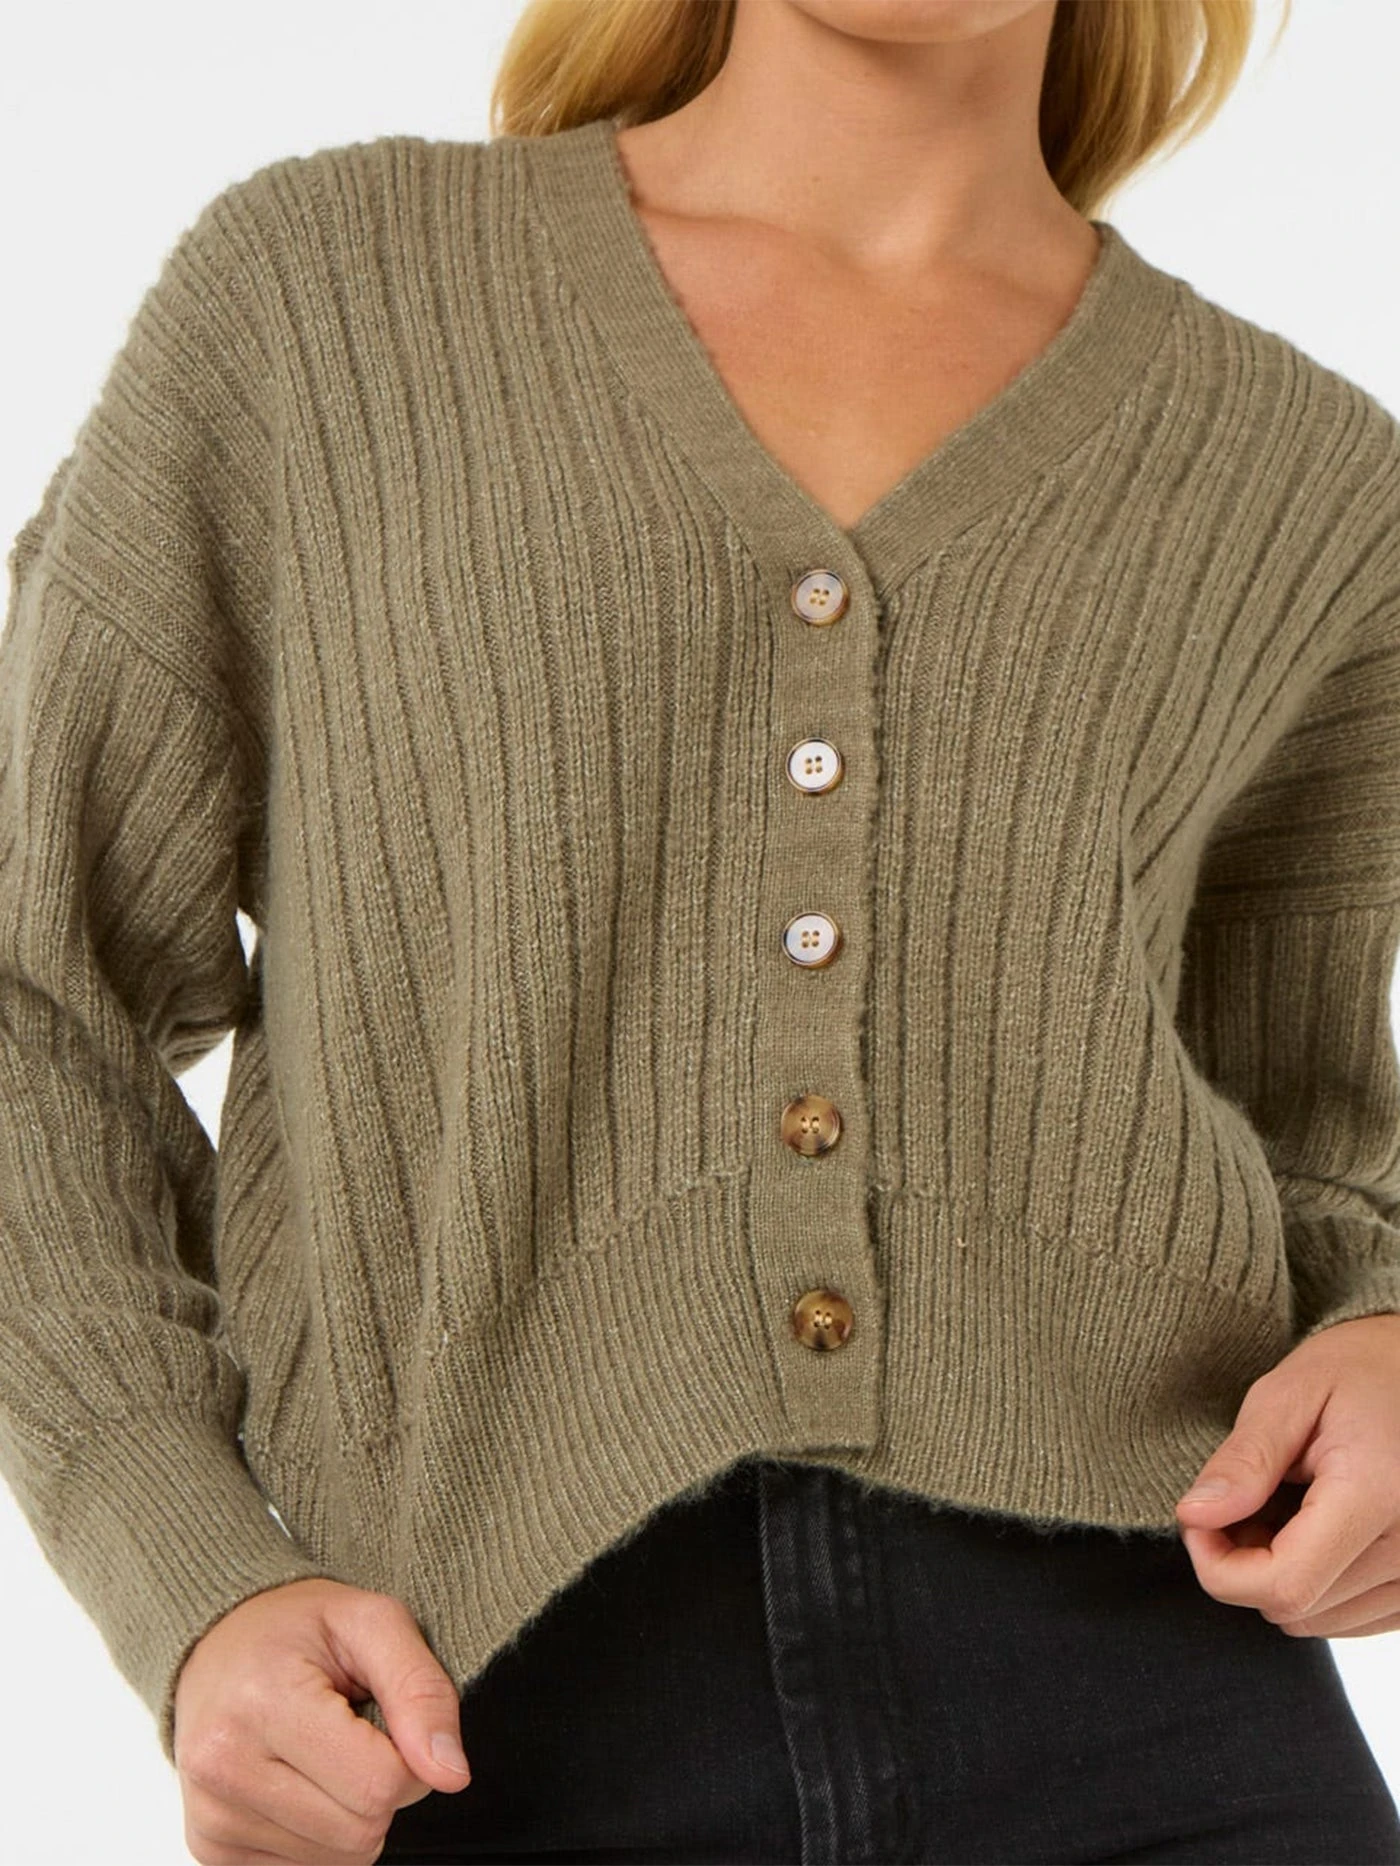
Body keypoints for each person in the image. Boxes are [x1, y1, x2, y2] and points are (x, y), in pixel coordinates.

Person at [3, 0, 1400, 1861]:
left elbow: (1316, 1128)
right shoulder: (326, 304)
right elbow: (35, 994)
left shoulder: (1303, 483)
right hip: (471, 1728)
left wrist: (1386, 1333)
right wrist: (190, 1573)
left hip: (1164, 1717)